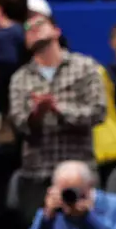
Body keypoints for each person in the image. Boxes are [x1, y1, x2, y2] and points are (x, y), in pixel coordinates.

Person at [7, 14, 107, 173]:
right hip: (37, 170)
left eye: (40, 23)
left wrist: (59, 108)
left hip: (79, 169)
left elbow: (98, 112)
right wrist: (37, 114)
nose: (33, 28)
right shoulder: (20, 78)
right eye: (27, 29)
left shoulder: (85, 67)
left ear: (56, 31)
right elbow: (17, 124)